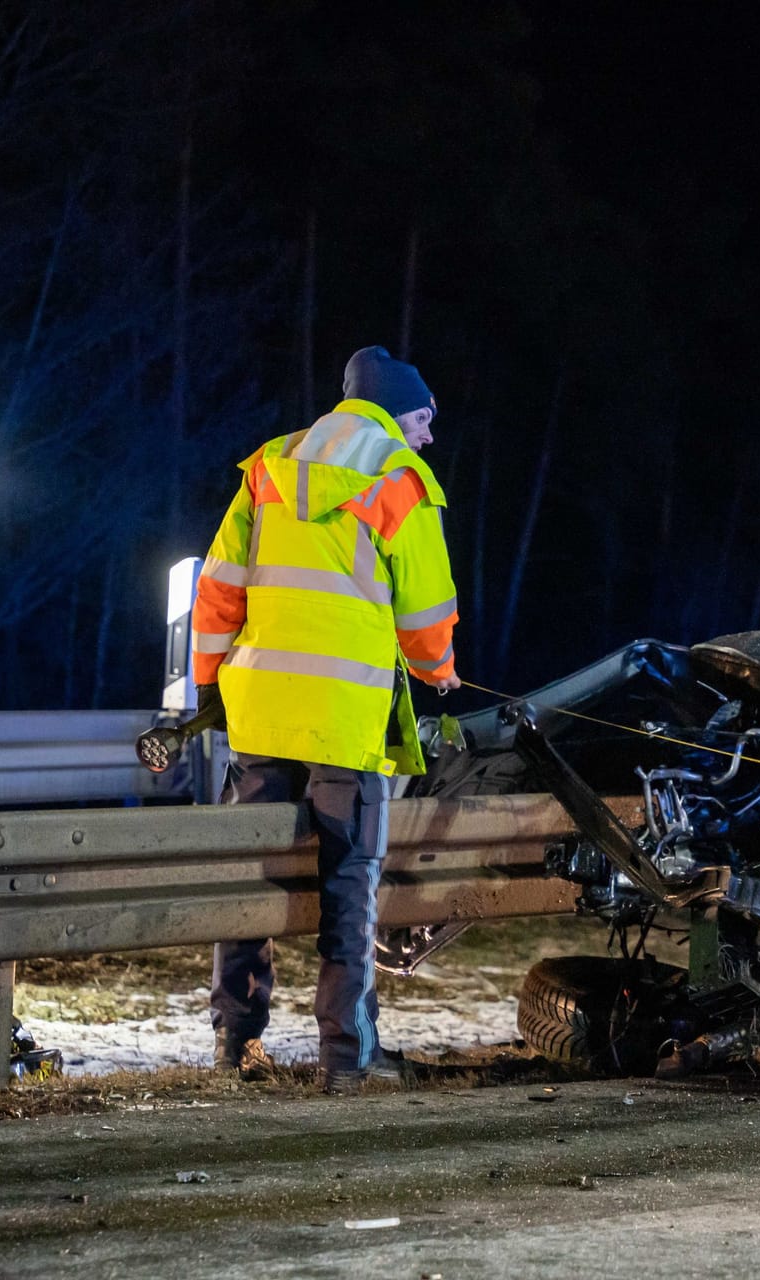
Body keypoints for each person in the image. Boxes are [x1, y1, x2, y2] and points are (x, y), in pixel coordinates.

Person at [189, 345, 461, 1093]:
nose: (429, 436)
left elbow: (217, 588)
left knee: (252, 873)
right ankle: (348, 1055)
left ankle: (235, 1042)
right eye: (424, 419)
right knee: (349, 883)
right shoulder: (399, 477)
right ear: (397, 412)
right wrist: (439, 669)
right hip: (344, 719)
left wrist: (212, 686)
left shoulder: (270, 465)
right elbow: (425, 607)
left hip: (259, 714)